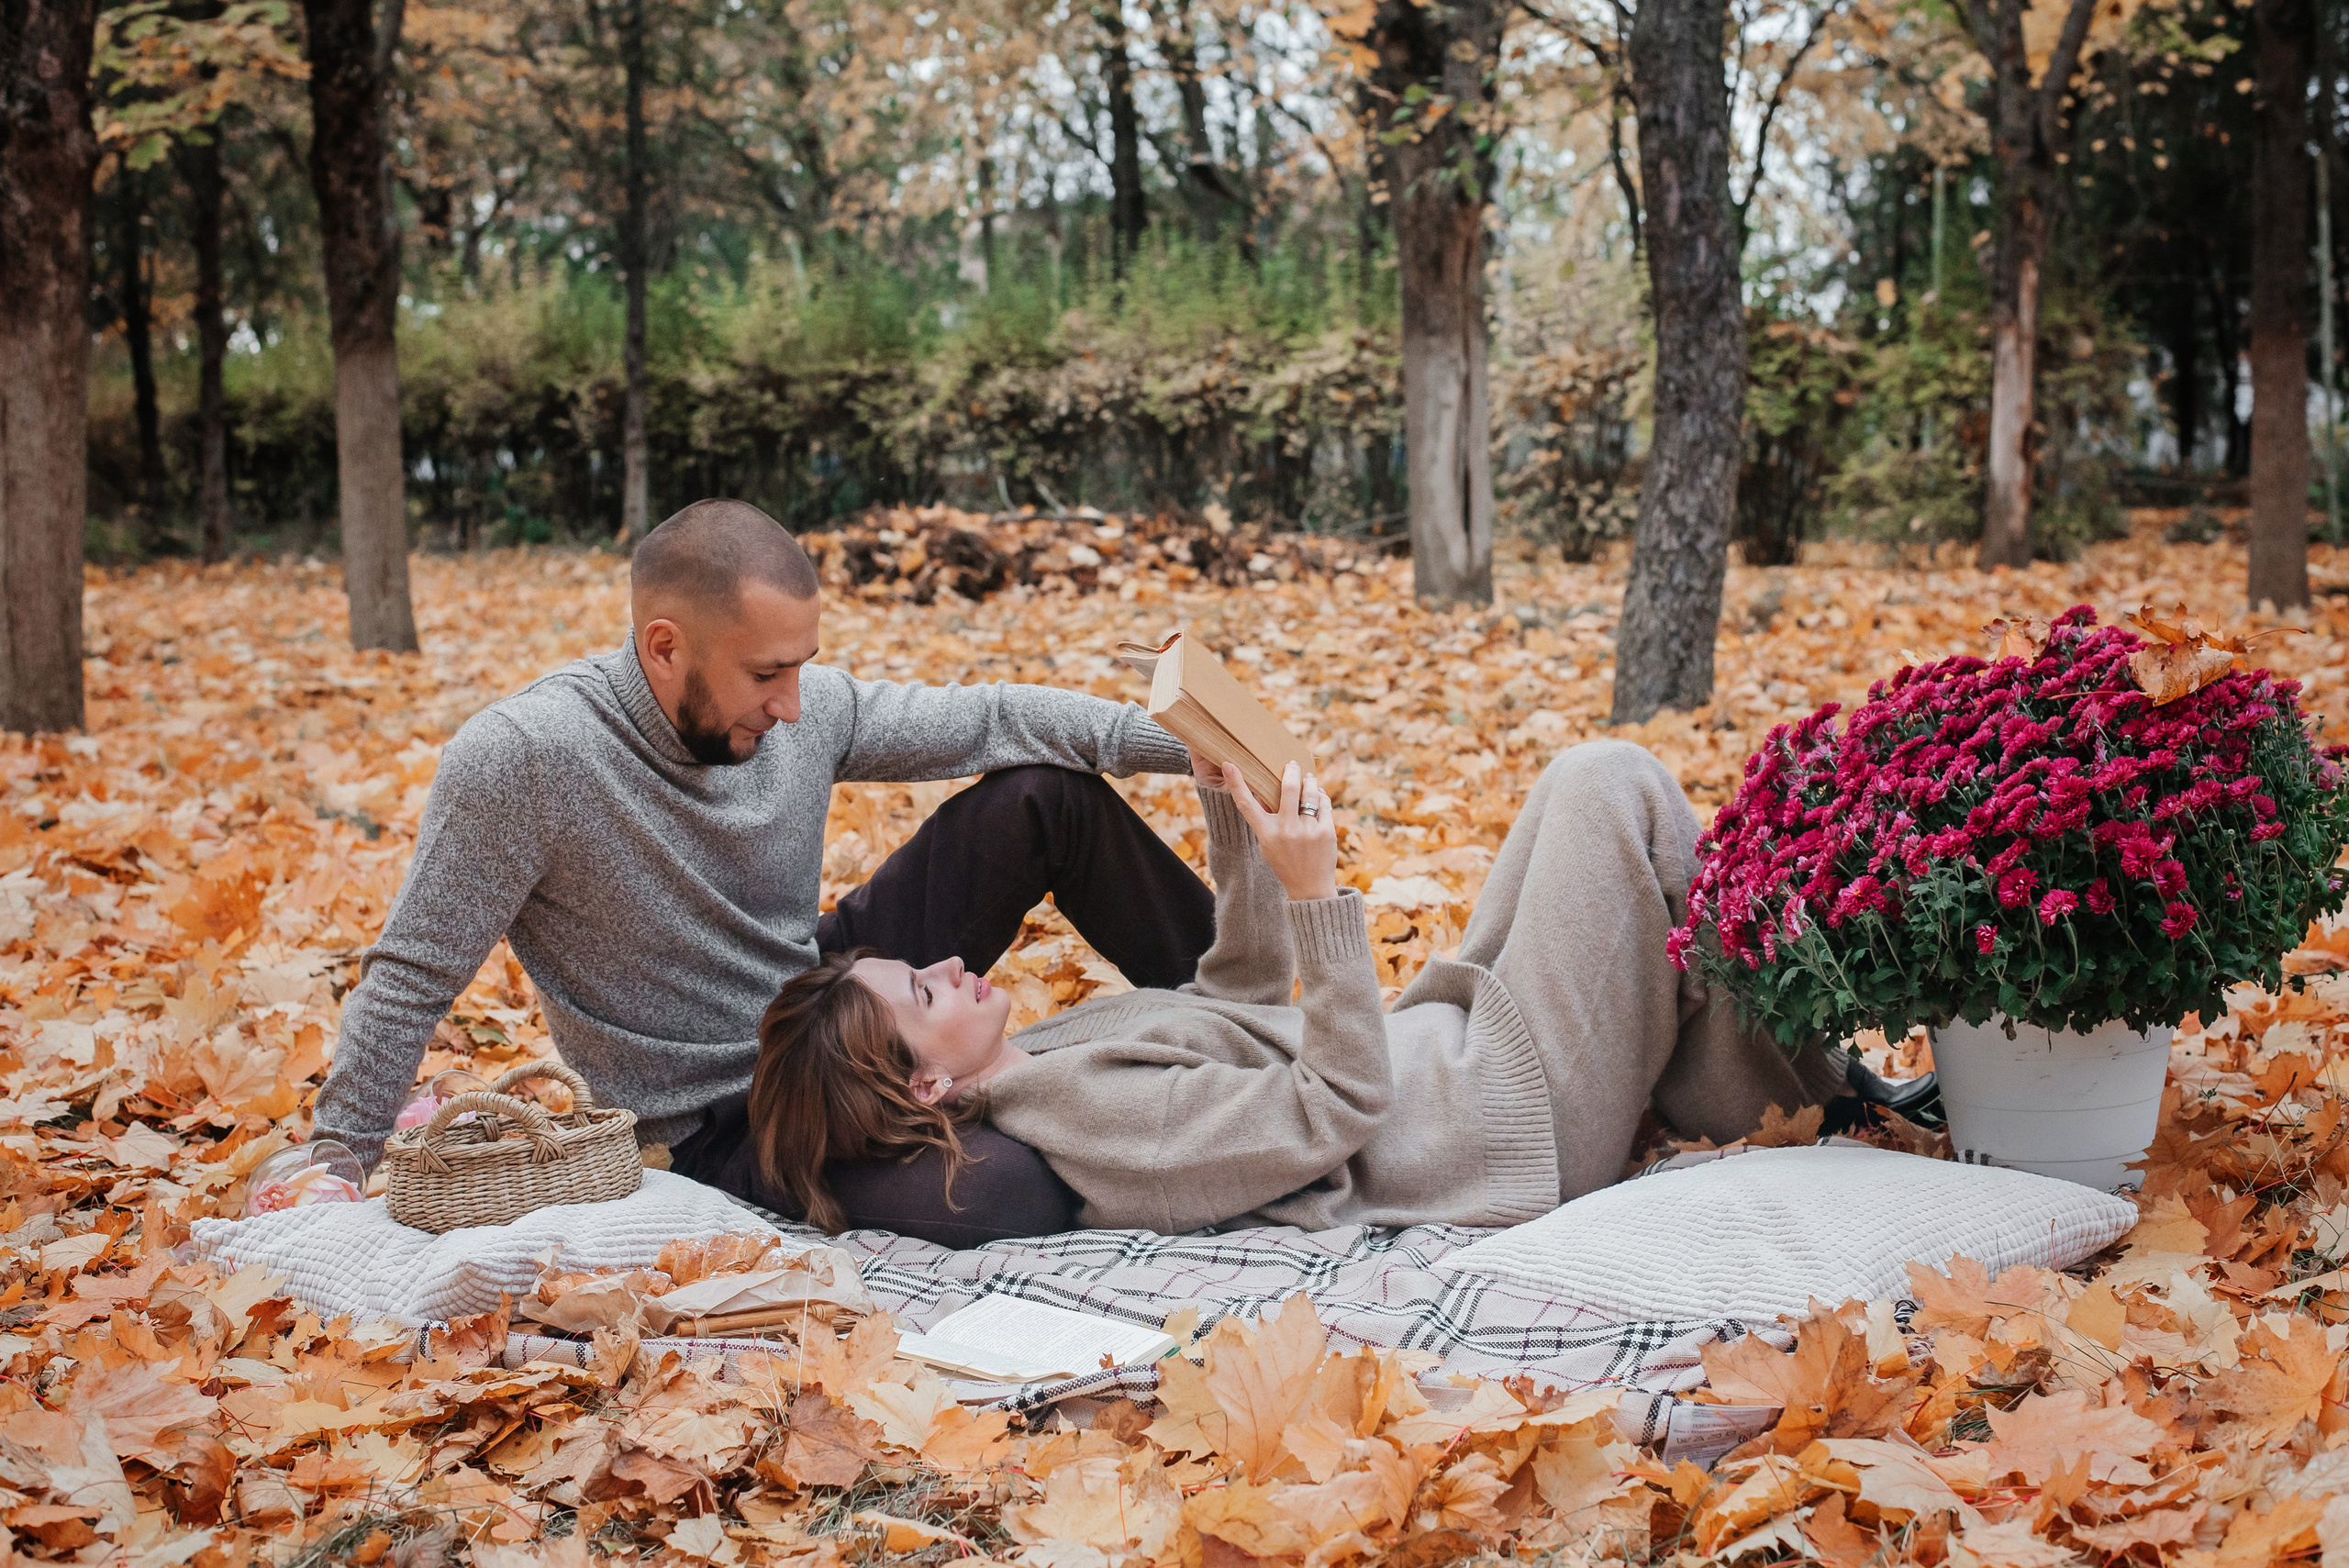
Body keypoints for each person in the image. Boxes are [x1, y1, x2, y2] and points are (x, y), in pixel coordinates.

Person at [312, 498, 1215, 1245]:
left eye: (802, 669)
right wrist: (335, 1167)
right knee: (1002, 1191)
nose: (791, 706)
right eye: (765, 674)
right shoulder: (526, 761)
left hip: (824, 996)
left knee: (1044, 797)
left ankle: (1265, 1027)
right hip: (726, 1110)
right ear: (664, 647)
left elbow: (990, 719)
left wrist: (1202, 747)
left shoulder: (798, 709)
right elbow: (412, 973)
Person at [746, 740, 1853, 1237]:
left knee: (1640, 858)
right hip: (1510, 1120)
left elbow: (1229, 990)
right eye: (923, 992)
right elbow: (1333, 1107)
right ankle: (1786, 1097)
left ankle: (1761, 1082)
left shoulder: (1043, 1051)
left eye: (918, 962)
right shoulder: (1092, 1124)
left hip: (1453, 1047)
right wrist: (1319, 901)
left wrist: (1233, 811)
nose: (949, 962)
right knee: (1607, 787)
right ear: (930, 1085)